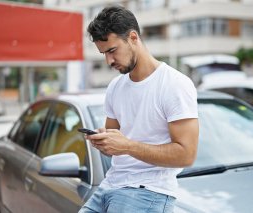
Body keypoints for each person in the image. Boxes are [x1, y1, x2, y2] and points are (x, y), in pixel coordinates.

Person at [79, 5, 199, 213]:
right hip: (110, 185)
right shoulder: (115, 87)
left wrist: (127, 146)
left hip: (148, 191)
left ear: (133, 38)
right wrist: (105, 140)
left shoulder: (175, 84)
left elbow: (186, 155)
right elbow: (116, 139)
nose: (108, 61)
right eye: (103, 54)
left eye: (112, 51)